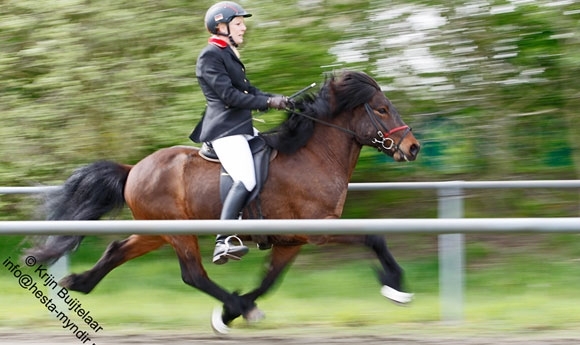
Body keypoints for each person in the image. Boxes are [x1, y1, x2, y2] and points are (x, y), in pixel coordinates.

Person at [189, 1, 288, 265]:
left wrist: (280, 100)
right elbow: (230, 96)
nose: (244, 27)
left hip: (241, 127)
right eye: (238, 23)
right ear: (221, 27)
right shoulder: (210, 55)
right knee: (246, 178)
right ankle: (223, 240)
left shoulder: (229, 53)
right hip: (224, 130)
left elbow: (250, 91)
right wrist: (268, 103)